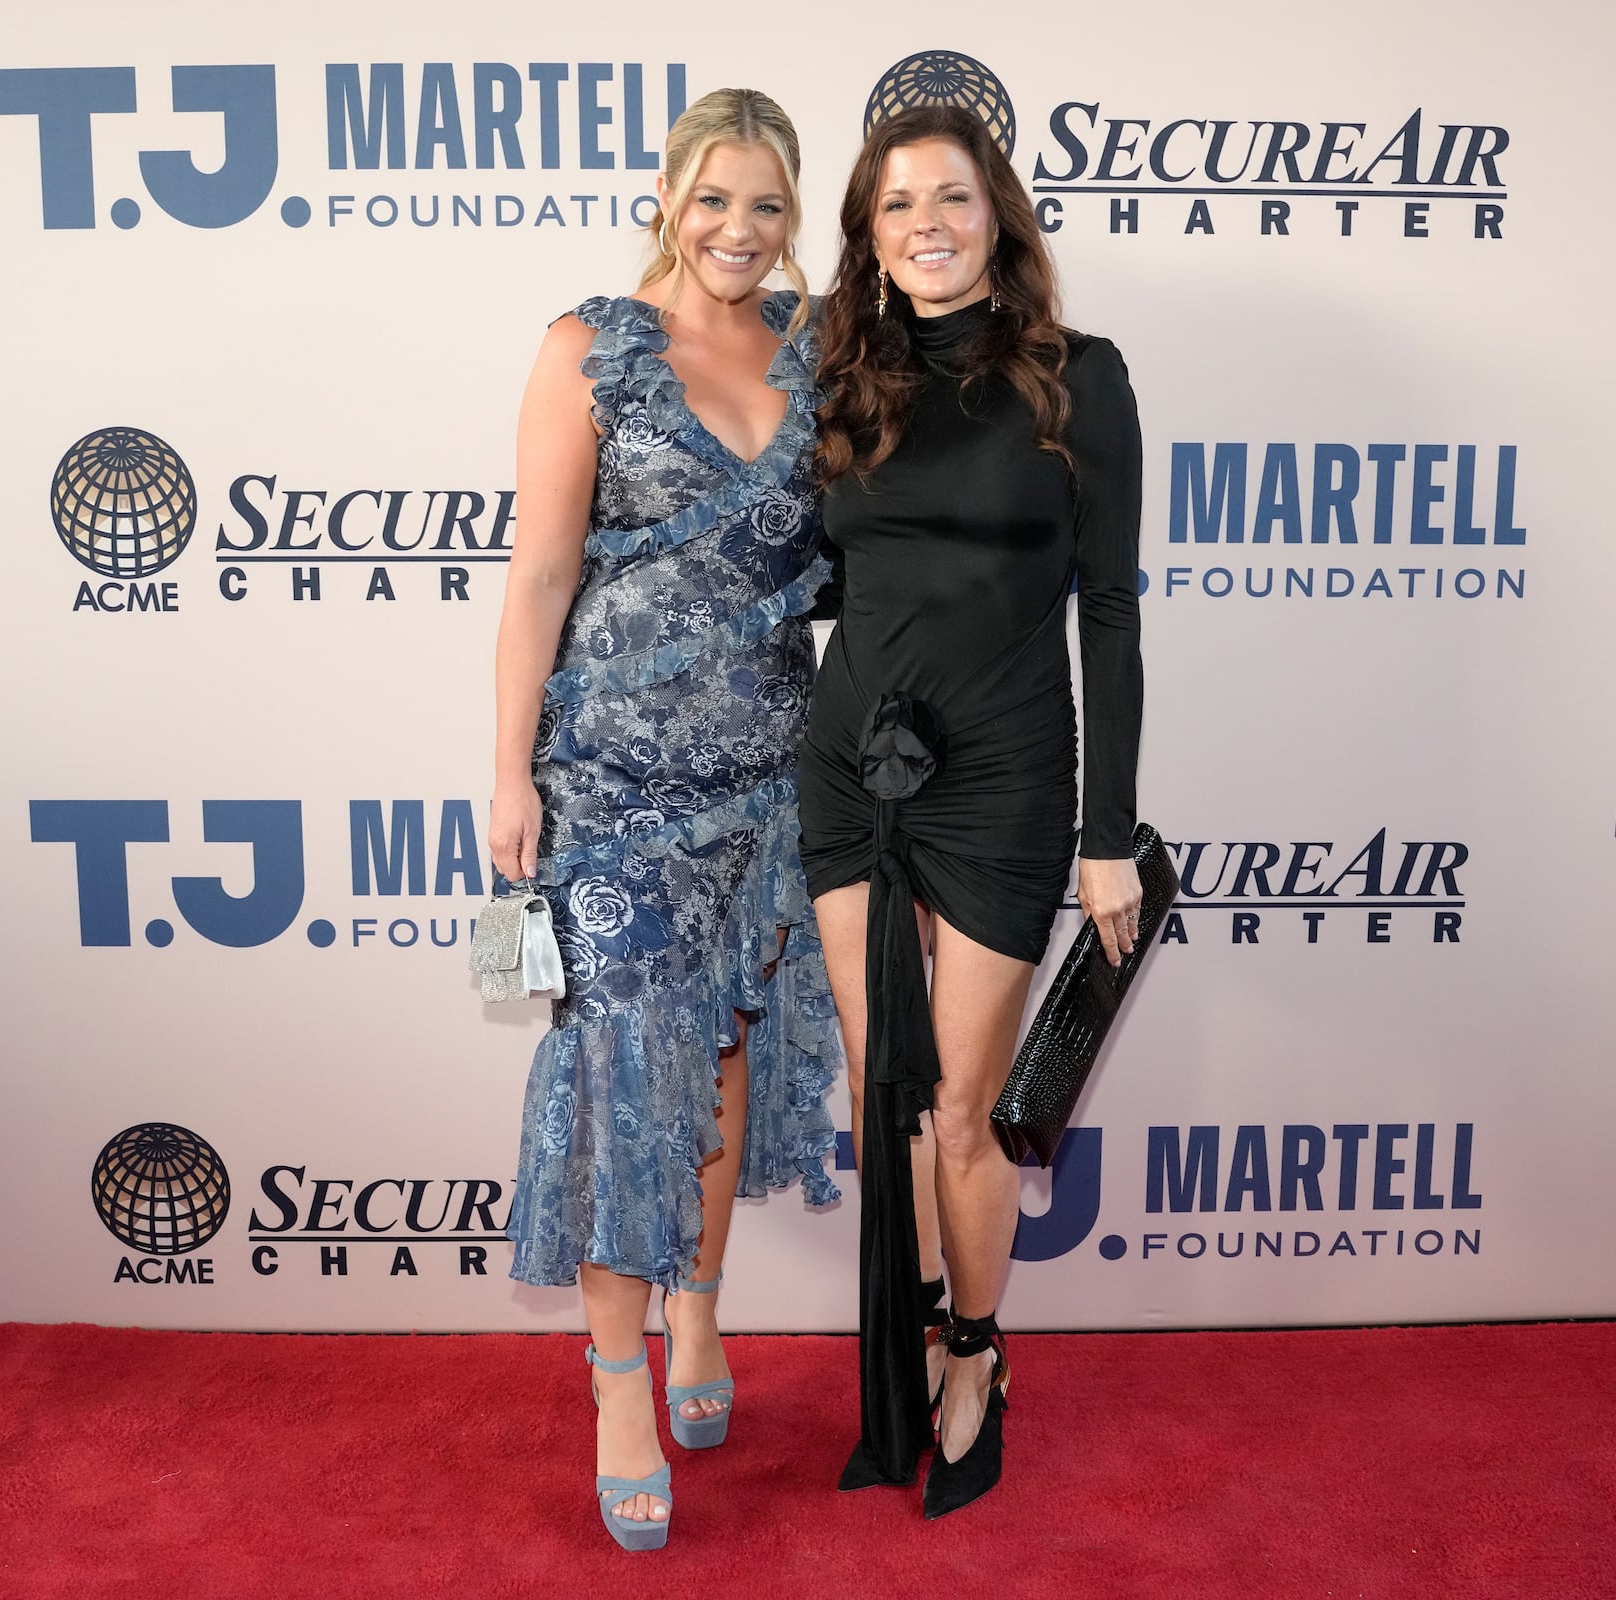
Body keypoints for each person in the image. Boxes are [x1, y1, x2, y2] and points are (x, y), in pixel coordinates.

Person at [489, 87, 838, 1552]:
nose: (739, 232)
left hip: (772, 783)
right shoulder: (590, 348)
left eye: (767, 206)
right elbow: (539, 576)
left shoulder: (823, 350)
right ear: (668, 200)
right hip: (613, 788)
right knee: (624, 1068)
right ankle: (618, 1378)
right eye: (714, 201)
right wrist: (509, 770)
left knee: (726, 1055)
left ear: (793, 213)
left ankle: (700, 1305)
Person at [800, 101, 1145, 1518]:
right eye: (896, 204)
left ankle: (977, 1353)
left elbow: (1109, 611)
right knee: (884, 1102)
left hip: (1005, 778)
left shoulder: (1078, 378)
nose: (927, 224)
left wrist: (1108, 834)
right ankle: (904, 1349)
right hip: (851, 773)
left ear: (996, 212)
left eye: (951, 196)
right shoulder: (839, 377)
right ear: (869, 236)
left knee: (958, 1114)